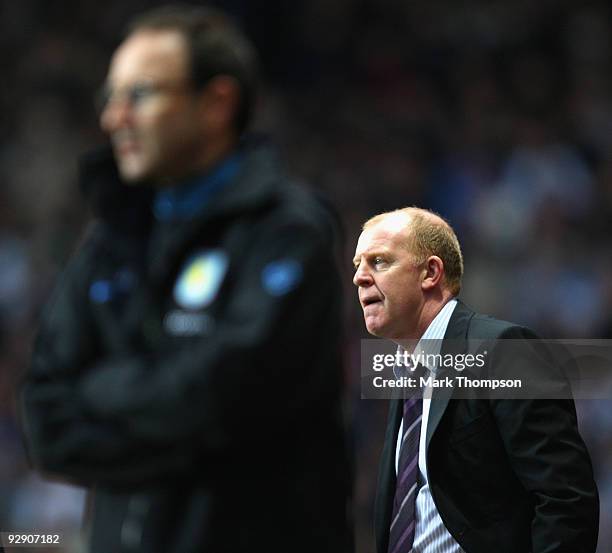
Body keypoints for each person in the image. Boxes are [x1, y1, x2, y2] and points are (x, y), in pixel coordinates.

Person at [20, 5, 352, 553]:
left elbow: (224, 396)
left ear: (216, 103)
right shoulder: (110, 241)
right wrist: (181, 420)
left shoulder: (288, 231)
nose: (113, 119)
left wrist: (104, 393)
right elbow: (47, 420)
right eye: (111, 97)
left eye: (139, 95)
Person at [352, 207, 599, 553]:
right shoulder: (406, 371)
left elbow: (565, 500)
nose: (360, 278)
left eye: (379, 261)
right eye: (358, 265)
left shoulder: (503, 349)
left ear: (431, 272)